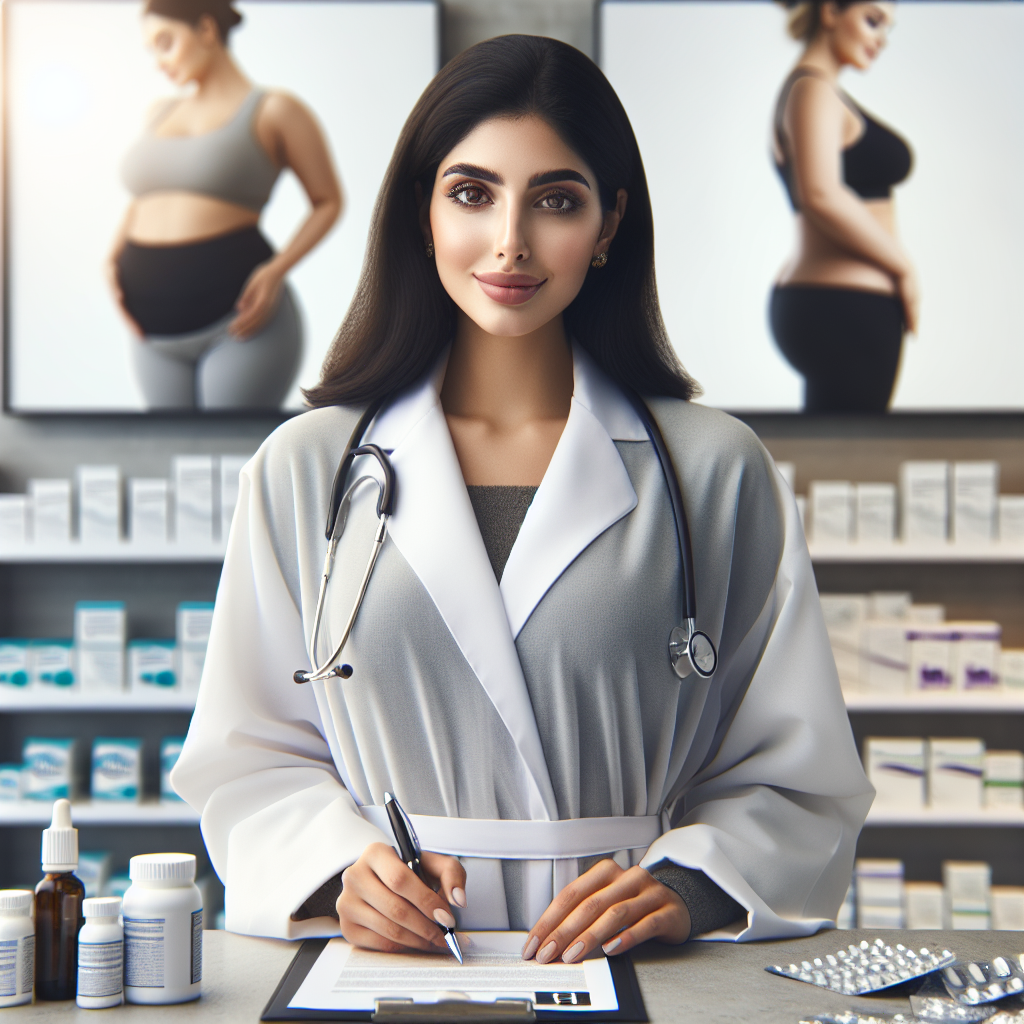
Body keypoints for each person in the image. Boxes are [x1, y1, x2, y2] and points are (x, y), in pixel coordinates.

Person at [172, 35, 873, 959]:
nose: (511, 240)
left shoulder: (713, 468)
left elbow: (796, 774)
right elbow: (248, 757)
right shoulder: (307, 469)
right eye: (472, 193)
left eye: (556, 200)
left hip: (630, 969)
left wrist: (692, 885)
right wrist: (340, 873)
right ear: (421, 214)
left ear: (610, 224)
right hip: (400, 968)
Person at [110, 0, 342, 410]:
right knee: (169, 461)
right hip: (152, 334)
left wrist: (275, 271)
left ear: (205, 29)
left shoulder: (276, 110)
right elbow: (144, 200)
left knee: (235, 463)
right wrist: (112, 259)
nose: (158, 62)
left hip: (238, 326)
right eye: (151, 50)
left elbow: (327, 201)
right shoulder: (157, 113)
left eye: (165, 42)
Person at [770, 1, 916, 414]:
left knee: (831, 453)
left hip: (837, 308)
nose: (880, 40)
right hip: (846, 311)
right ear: (832, 11)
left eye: (888, 28)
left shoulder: (814, 90)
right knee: (853, 456)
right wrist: (903, 268)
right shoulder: (811, 89)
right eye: (872, 21)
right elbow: (820, 194)